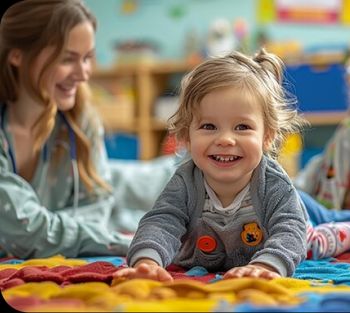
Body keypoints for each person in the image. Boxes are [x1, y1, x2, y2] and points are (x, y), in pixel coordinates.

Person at [114, 50, 350, 283]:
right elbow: (161, 222)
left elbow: (290, 230)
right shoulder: (185, 182)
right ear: (186, 136)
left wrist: (265, 265)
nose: (225, 139)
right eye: (208, 126)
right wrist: (147, 262)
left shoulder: (273, 182)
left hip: (296, 225)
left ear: (267, 136)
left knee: (316, 238)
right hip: (215, 253)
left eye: (242, 127)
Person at [0, 0, 131, 259]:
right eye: (67, 59)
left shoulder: (81, 121)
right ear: (16, 55)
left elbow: (98, 209)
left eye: (87, 58)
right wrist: (124, 242)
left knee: (173, 176)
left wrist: (40, 228)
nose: (83, 74)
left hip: (118, 183)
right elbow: (28, 229)